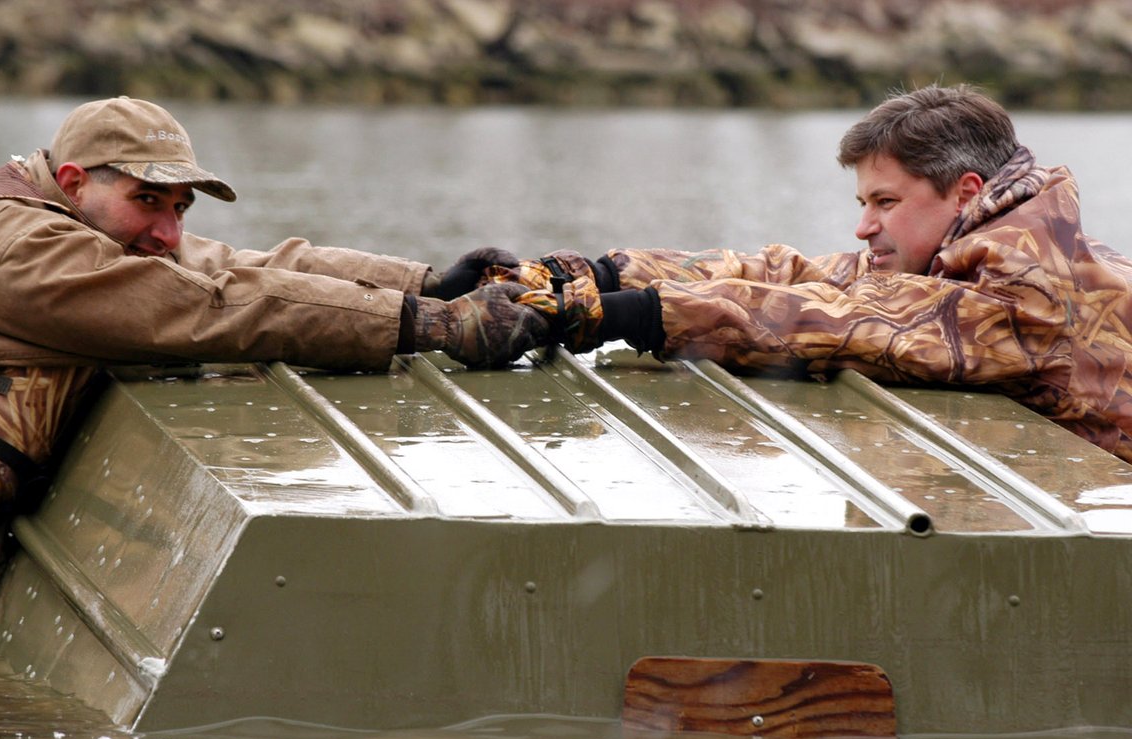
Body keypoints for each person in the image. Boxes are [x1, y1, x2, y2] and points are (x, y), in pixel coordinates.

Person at [0, 96, 548, 633]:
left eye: (180, 207)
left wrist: (430, 283)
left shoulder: (55, 216)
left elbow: (238, 265)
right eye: (148, 200)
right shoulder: (20, 254)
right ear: (72, 182)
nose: (168, 231)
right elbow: (215, 308)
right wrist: (427, 324)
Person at [441, 83, 1132, 463]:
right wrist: (594, 273)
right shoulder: (990, 246)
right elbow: (797, 273)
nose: (865, 227)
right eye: (863, 203)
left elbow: (847, 322)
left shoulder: (1027, 298)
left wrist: (618, 317)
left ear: (964, 190)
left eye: (885, 203)